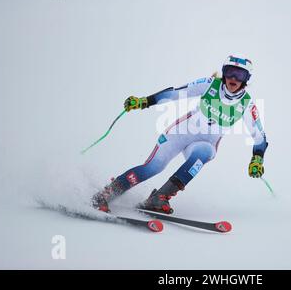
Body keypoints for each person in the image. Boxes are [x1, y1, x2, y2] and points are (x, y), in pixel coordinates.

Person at [92, 55, 268, 214]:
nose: (233, 78)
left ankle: (159, 198)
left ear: (247, 80)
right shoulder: (209, 84)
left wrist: (257, 159)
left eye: (240, 75)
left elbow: (260, 138)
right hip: (180, 133)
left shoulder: (247, 104)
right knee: (154, 167)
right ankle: (106, 194)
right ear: (223, 73)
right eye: (230, 72)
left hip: (204, 143)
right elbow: (175, 93)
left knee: (205, 154)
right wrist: (145, 101)